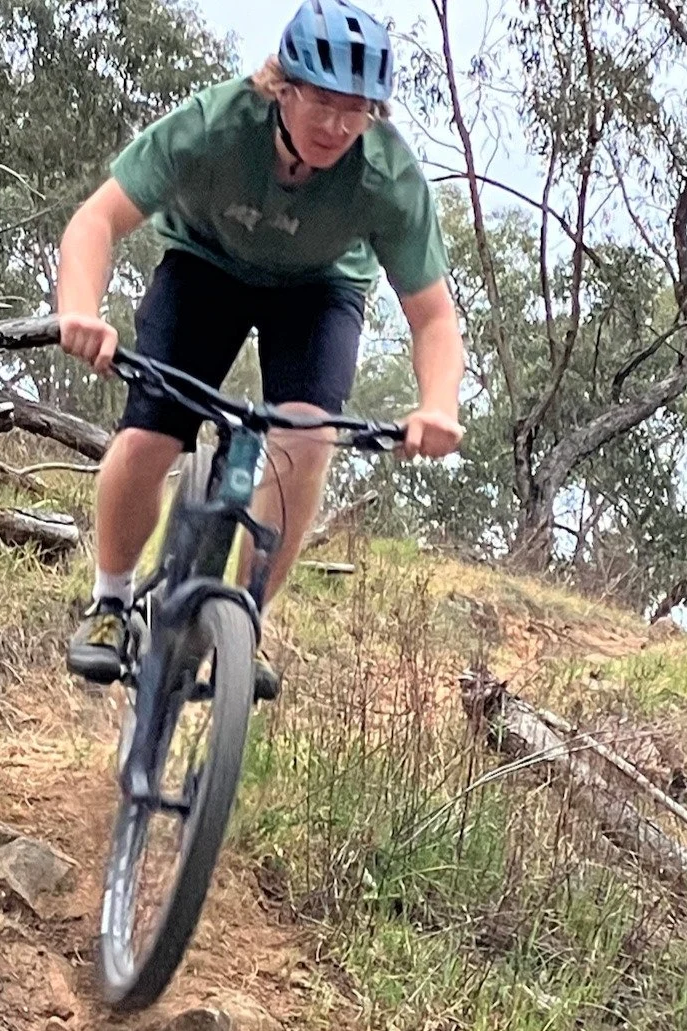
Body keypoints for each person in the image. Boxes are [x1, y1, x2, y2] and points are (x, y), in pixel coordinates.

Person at [57, 0, 466, 699]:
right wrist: (79, 313)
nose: (339, 125)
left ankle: (245, 620)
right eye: (324, 103)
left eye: (358, 109)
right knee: (150, 437)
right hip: (205, 268)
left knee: (305, 440)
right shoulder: (215, 125)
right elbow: (97, 219)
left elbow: (432, 317)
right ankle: (111, 603)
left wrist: (438, 406)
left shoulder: (387, 176)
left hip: (318, 290)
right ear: (284, 87)